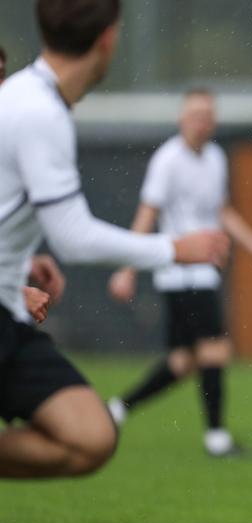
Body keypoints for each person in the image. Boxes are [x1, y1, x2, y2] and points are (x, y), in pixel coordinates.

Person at [0, 0, 228, 482]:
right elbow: (75, 238)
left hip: (10, 311)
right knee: (193, 356)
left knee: (92, 437)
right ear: (108, 39)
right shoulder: (39, 111)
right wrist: (174, 248)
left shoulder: (29, 99)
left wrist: (20, 266)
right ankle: (216, 433)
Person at [106, 89, 252, 456]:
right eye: (195, 114)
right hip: (180, 273)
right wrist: (128, 268)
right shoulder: (167, 160)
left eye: (208, 115)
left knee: (183, 362)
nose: (202, 121)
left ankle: (117, 410)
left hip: (205, 272)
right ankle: (216, 438)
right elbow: (147, 214)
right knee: (215, 349)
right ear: (181, 119)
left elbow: (222, 210)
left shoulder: (215, 157)